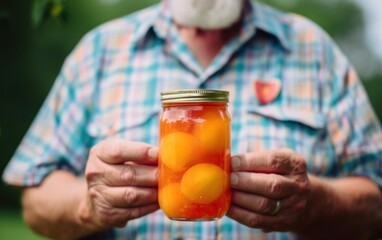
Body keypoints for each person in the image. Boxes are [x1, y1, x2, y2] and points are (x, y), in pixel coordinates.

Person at [3, 0, 382, 239]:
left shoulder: (312, 49)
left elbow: (375, 201)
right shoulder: (99, 51)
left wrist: (315, 203)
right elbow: (35, 198)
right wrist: (87, 205)